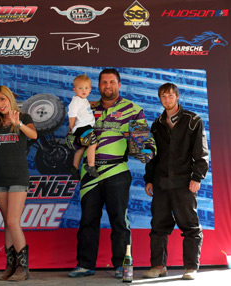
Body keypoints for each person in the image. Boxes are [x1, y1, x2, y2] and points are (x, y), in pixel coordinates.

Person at [68, 69, 156, 279]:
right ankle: (84, 264)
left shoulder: (132, 110)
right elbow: (69, 139)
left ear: (119, 84)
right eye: (104, 82)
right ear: (98, 86)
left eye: (112, 82)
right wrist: (80, 140)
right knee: (88, 219)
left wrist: (146, 150)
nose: (108, 86)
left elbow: (143, 141)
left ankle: (121, 265)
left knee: (119, 221)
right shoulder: (86, 105)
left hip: (117, 171)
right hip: (90, 173)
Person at [142, 83, 208, 280]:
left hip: (184, 182)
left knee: (190, 225)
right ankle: (158, 266)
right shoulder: (157, 124)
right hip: (161, 182)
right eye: (163, 96)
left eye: (170, 96)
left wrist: (197, 177)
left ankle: (190, 268)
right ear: (159, 98)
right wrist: (149, 180)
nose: (167, 99)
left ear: (177, 96)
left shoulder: (193, 120)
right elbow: (152, 156)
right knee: (158, 226)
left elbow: (201, 153)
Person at [0, 86, 38, 281]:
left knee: (13, 221)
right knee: (7, 224)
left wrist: (18, 123)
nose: (0, 104)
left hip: (18, 177)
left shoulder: (24, 117)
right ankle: (10, 267)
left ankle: (23, 268)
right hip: (0, 179)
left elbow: (34, 135)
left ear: (10, 99)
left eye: (3, 99)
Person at [67, 74, 99, 179]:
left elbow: (84, 106)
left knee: (81, 148)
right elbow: (72, 114)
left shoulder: (82, 99)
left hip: (84, 127)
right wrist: (71, 127)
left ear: (90, 89)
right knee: (93, 143)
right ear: (74, 90)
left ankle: (74, 168)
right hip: (82, 127)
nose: (83, 90)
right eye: (80, 88)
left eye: (86, 88)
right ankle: (91, 166)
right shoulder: (76, 101)